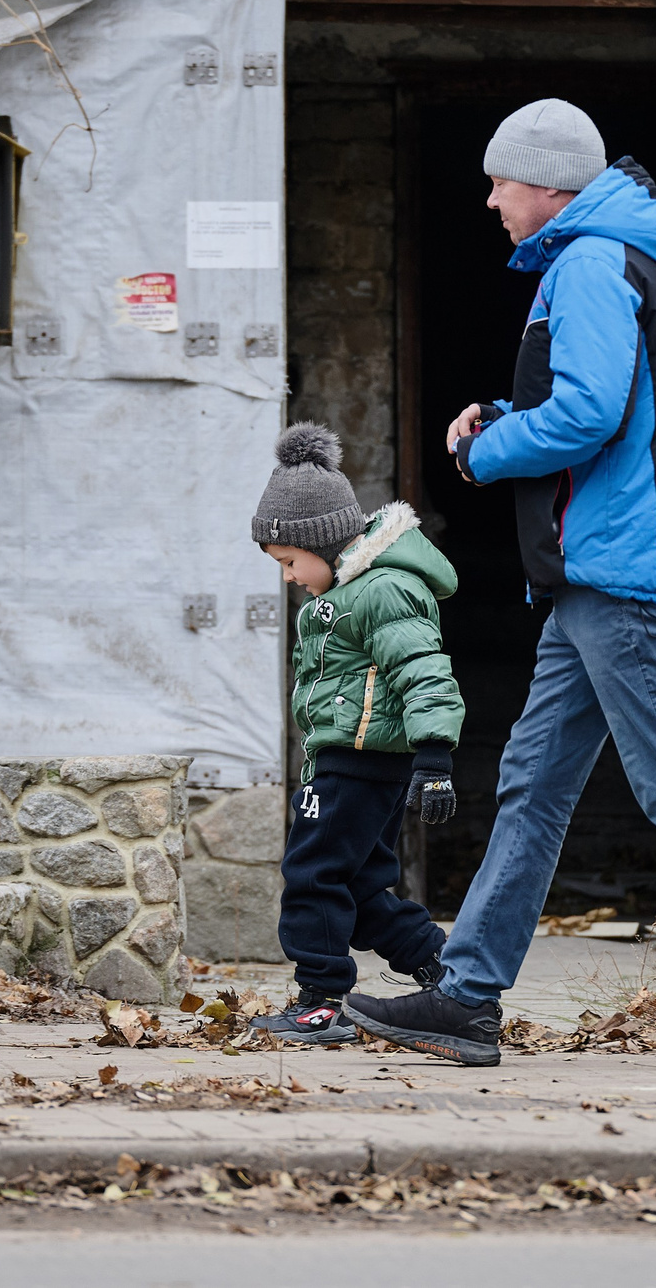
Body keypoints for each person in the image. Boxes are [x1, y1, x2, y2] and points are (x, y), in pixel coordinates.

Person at [342, 98, 656, 1072]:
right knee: (532, 782)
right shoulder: (609, 259)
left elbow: (587, 415)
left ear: (549, 184)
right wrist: (499, 411)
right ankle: (468, 996)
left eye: (500, 182)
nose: (487, 200)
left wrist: (486, 454)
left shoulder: (592, 264)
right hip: (598, 579)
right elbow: (587, 400)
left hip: (621, 577)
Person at [248, 422, 466, 1044]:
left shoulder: (383, 589)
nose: (288, 576)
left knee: (312, 873)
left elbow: (423, 670)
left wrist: (434, 758)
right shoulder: (343, 593)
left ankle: (319, 1001)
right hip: (349, 761)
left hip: (362, 762)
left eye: (290, 562)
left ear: (322, 541)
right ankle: (445, 972)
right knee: (363, 886)